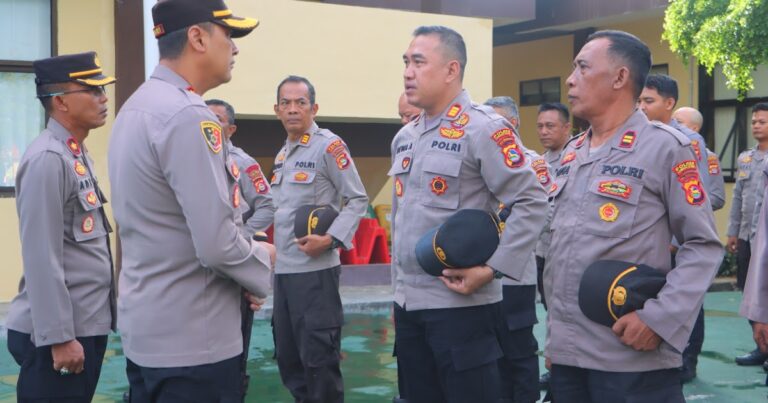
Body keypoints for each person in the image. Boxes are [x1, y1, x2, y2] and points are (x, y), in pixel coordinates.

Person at [108, 1, 274, 400]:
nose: (235, 48)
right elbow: (217, 244)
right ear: (198, 38)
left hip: (149, 334)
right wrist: (262, 260)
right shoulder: (188, 116)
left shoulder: (136, 107)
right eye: (228, 35)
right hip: (194, 343)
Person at [545, 30, 721, 400]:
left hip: (629, 360)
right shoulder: (572, 153)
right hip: (568, 357)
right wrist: (558, 342)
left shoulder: (666, 148)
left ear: (620, 77)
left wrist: (659, 319)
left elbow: (703, 245)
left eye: (582, 67)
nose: (570, 79)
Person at [392, 26, 547, 403]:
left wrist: (493, 269)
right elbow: (401, 221)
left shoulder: (485, 129)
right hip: (409, 307)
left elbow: (532, 201)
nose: (408, 72)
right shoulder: (405, 137)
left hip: (460, 309)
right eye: (406, 63)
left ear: (451, 69)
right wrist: (398, 295)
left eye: (419, 62)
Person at [5, 51, 116, 402]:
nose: (103, 98)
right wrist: (59, 337)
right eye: (93, 90)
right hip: (60, 335)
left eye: (103, 89)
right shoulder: (48, 158)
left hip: (82, 325)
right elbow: (41, 255)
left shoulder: (74, 152)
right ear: (61, 102)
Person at [269, 75, 368, 403]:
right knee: (289, 362)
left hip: (315, 275)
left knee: (319, 364)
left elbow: (357, 199)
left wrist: (331, 239)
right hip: (284, 274)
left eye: (300, 103)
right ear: (276, 110)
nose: (292, 109)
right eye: (286, 103)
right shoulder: (282, 155)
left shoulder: (329, 146)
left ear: (314, 108)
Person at [206, 98, 275, 400]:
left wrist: (241, 239)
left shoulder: (242, 162)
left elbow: (268, 205)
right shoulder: (193, 159)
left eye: (217, 119)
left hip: (235, 268)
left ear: (231, 129)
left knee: (234, 354)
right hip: (204, 273)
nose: (210, 125)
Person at [484, 95, 545, 403]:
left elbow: (543, 213)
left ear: (514, 123)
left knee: (518, 353)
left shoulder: (533, 163)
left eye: (498, 122)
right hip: (480, 277)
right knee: (488, 355)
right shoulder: (478, 161)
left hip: (515, 277)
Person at [639, 74, 725, 210]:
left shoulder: (688, 139)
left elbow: (697, 194)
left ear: (669, 103)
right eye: (638, 101)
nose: (641, 107)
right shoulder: (633, 135)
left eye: (648, 101)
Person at [729, 102, 768, 367]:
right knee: (750, 292)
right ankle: (761, 347)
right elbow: (737, 196)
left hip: (765, 238)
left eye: (762, 121)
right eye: (754, 121)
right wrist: (733, 232)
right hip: (746, 235)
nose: (756, 125)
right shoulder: (745, 158)